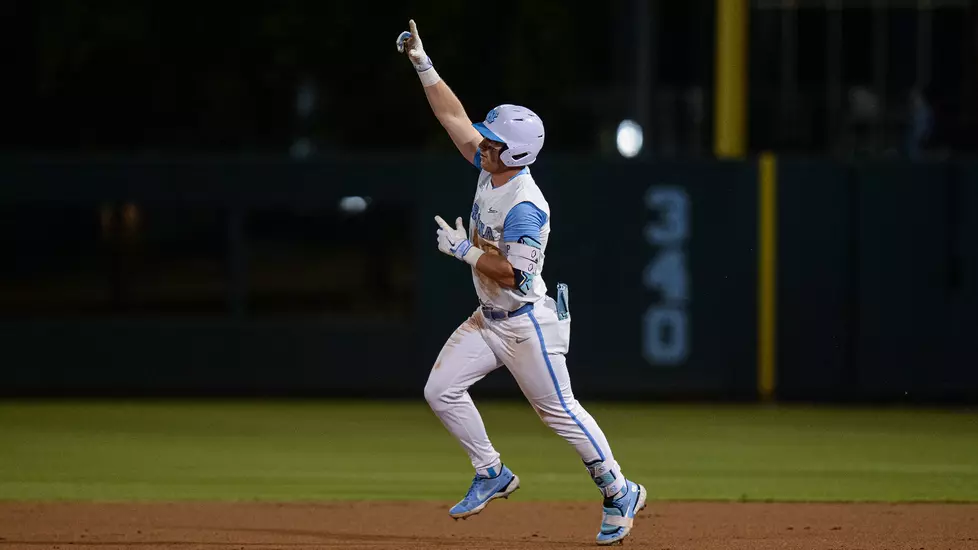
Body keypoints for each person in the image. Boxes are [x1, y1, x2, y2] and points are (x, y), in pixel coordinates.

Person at [396, 19, 647, 546]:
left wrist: (465, 251)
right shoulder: (491, 169)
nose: (481, 144)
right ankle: (491, 471)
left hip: (527, 323)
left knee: (560, 414)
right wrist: (424, 63)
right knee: (440, 391)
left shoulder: (525, 206)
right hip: (489, 319)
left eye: (492, 141)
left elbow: (516, 272)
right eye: (487, 140)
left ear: (515, 153)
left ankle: (620, 489)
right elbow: (453, 118)